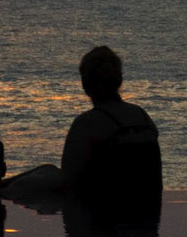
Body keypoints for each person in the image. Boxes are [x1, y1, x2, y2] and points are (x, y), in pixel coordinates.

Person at [60, 45, 161, 207]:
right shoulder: (143, 118)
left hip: (103, 216)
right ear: (119, 81)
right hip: (147, 216)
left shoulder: (85, 124)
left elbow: (69, 181)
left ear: (86, 85)